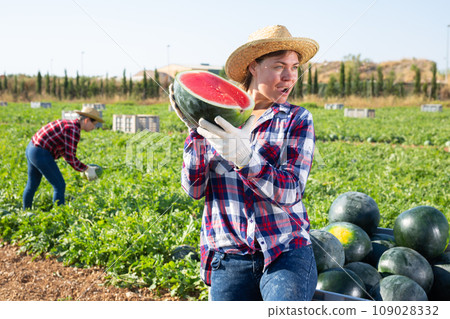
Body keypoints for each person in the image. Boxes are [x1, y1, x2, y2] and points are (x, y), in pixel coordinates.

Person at [170, 25, 319, 301]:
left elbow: (292, 191)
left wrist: (246, 159)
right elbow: (193, 190)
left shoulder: (297, 119)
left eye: (295, 67)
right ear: (254, 66)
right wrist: (196, 130)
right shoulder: (216, 117)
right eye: (279, 66)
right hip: (229, 257)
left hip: (285, 250)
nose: (289, 76)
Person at [23, 106, 104, 210]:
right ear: (87, 120)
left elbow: (66, 153)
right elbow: (70, 157)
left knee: (32, 184)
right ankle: (59, 215)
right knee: (59, 185)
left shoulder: (69, 124)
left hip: (31, 148)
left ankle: (25, 211)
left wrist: (84, 168)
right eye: (94, 124)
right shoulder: (73, 130)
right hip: (40, 153)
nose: (94, 127)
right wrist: (86, 169)